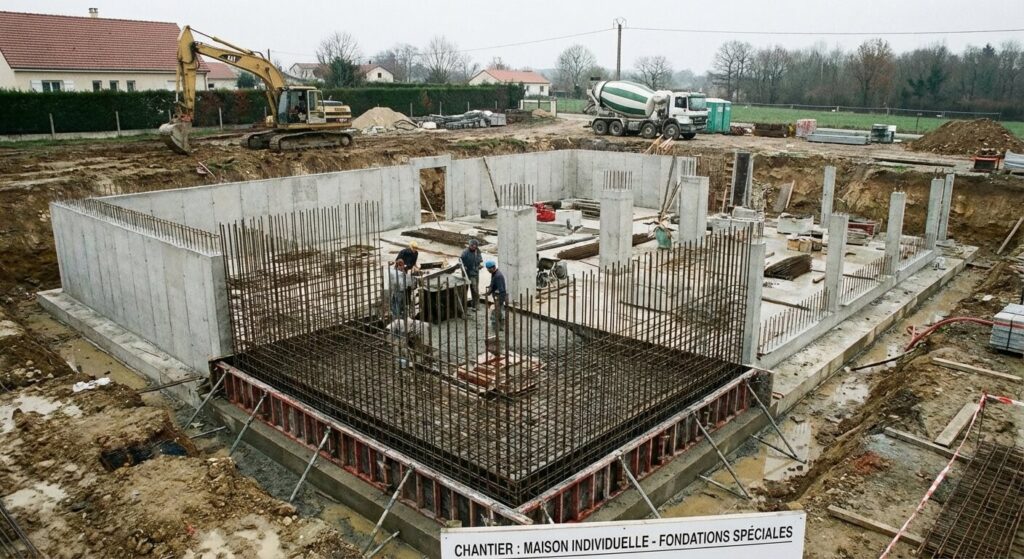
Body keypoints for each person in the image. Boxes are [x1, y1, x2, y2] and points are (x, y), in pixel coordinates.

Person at [460, 239, 483, 310]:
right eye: (472, 246)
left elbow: (480, 260)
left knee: (475, 290)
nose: (473, 247)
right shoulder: (465, 252)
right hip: (467, 274)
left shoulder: (478, 251)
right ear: (469, 246)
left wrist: (480, 265)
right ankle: (464, 306)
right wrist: (464, 267)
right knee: (465, 290)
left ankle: (475, 306)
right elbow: (460, 261)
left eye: (475, 246)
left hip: (475, 274)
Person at [484, 261, 506, 331]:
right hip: (496, 297)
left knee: (495, 313)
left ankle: (497, 328)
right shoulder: (494, 274)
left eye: (488, 269)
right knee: (499, 312)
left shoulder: (498, 276)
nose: (488, 270)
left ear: (493, 268)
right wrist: (489, 291)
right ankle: (500, 327)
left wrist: (499, 301)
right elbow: (493, 284)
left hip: (499, 297)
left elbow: (501, 290)